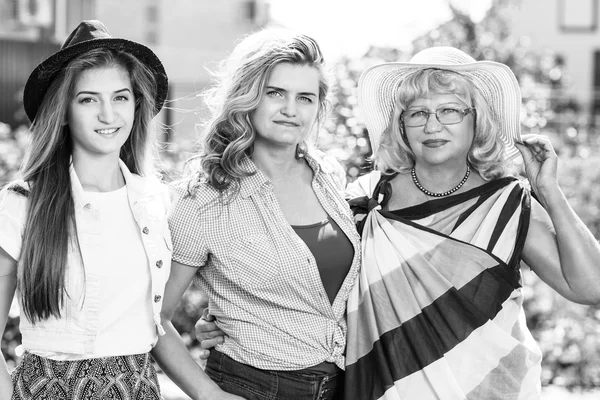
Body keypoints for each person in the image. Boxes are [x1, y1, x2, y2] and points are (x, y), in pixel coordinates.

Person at [342, 46, 600, 399]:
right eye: (417, 112)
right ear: (401, 124)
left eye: (449, 110)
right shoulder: (368, 201)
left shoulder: (507, 202)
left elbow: (590, 287)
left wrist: (549, 192)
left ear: (476, 118)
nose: (432, 126)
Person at [151, 28, 361, 400]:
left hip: (342, 384)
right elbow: (154, 317)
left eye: (305, 97)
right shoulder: (203, 200)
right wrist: (209, 395)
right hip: (253, 387)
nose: (291, 109)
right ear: (247, 97)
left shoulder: (329, 175)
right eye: (275, 93)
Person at [0, 20, 171, 399]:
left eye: (120, 97)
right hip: (47, 388)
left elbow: (162, 318)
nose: (108, 115)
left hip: (138, 387)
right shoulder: (23, 203)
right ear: (63, 111)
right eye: (89, 99)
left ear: (136, 104)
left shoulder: (156, 202)